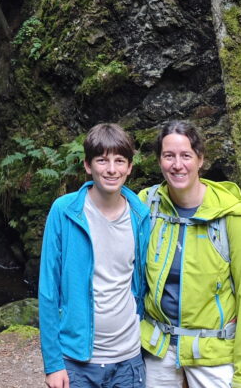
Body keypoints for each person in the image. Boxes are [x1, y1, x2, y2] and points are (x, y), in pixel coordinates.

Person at [140, 120, 241, 388]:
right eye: (169, 156)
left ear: (200, 159)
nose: (177, 164)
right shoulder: (146, 206)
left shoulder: (229, 217)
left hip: (212, 351)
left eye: (186, 156)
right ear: (159, 161)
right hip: (158, 348)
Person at [39, 123, 150, 388]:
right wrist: (53, 364)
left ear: (130, 167)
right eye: (102, 160)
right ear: (88, 165)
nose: (111, 169)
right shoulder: (64, 211)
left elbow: (142, 283)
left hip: (129, 360)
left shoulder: (140, 215)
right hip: (76, 363)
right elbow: (48, 291)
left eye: (119, 161)